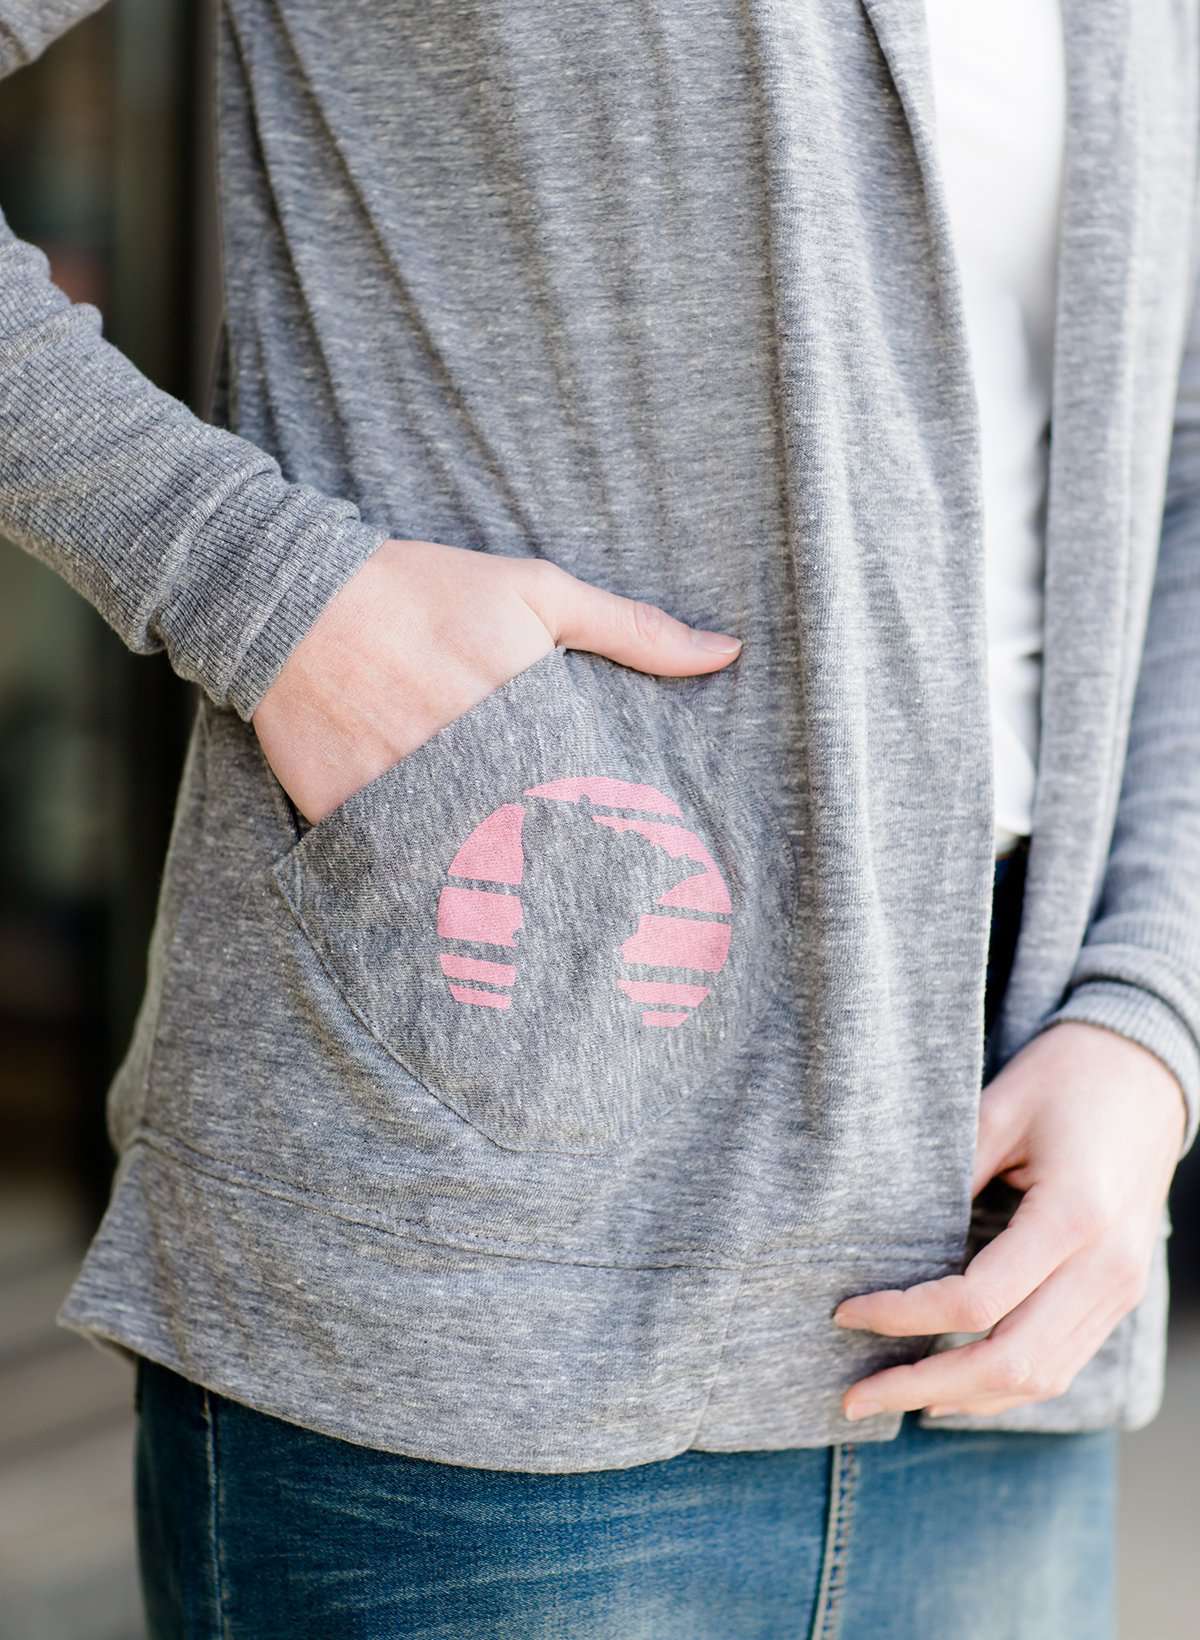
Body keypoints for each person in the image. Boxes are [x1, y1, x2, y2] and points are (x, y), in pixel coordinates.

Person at [2, 0, 1196, 1634]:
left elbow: (1171, 434)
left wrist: (1150, 1008)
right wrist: (256, 585)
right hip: (470, 1315)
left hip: (1001, 1322)